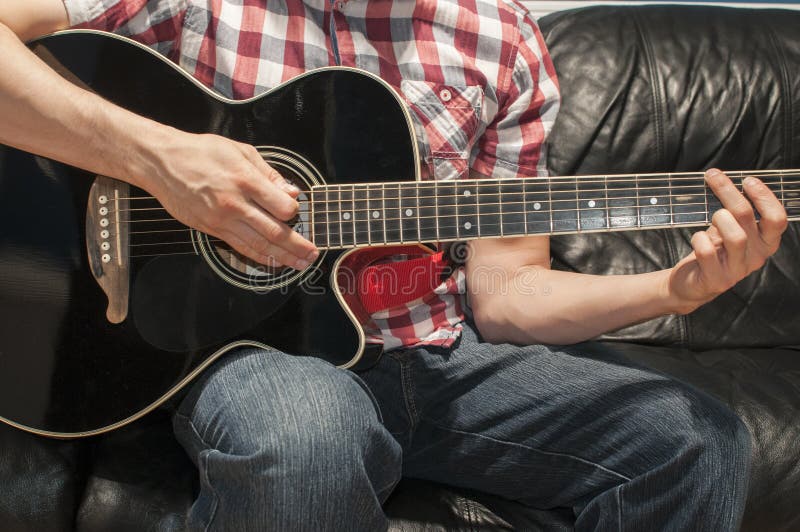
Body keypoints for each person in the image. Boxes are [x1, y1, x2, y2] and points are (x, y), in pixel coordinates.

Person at [0, 1, 788, 530]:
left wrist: (675, 288)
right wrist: (159, 156)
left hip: (441, 356)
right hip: (256, 349)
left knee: (691, 438)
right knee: (309, 434)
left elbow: (508, 293)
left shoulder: (502, 37)